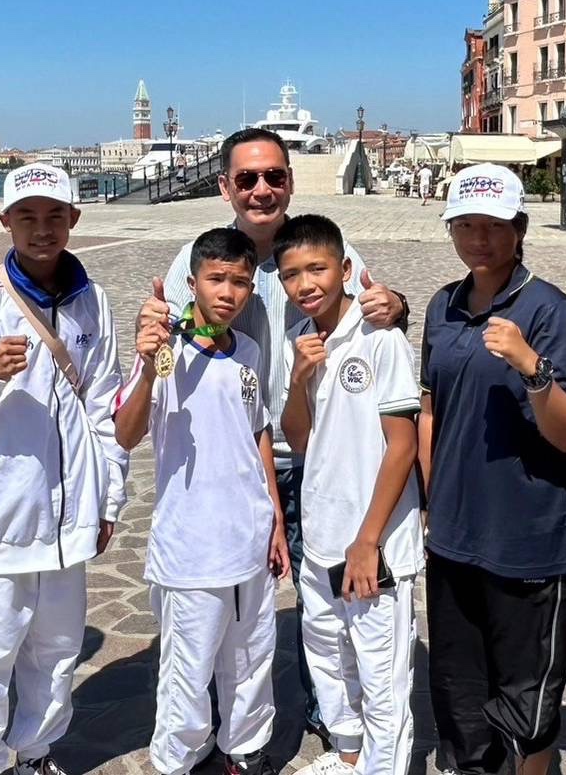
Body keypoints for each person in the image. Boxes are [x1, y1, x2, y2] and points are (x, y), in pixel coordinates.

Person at [136, 127, 408, 738]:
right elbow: (170, 337)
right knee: (230, 608)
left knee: (328, 598)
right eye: (248, 178)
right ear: (226, 185)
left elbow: (372, 308)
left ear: (290, 180)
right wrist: (151, 325)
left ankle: (330, 715)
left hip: (318, 454)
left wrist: (399, 306)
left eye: (274, 176)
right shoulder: (197, 259)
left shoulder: (318, 247)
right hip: (240, 460)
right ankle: (213, 723)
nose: (262, 189)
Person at [0, 163, 128, 775]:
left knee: (57, 652)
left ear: (74, 219)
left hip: (68, 525)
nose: (43, 230)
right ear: (5, 222)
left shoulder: (95, 302)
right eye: (28, 217)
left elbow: (104, 408)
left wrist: (107, 500)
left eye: (55, 215)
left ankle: (36, 753)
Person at [419, 164, 566, 775]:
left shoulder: (550, 311)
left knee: (528, 698)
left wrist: (531, 365)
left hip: (524, 534)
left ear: (519, 228)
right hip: (455, 533)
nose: (479, 239)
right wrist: (432, 497)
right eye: (465, 225)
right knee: (460, 688)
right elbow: (431, 409)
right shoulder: (443, 305)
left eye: (494, 226)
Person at [115, 227, 289, 775]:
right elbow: (126, 431)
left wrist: (277, 519)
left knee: (252, 653)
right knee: (187, 667)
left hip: (251, 536)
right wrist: (148, 363)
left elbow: (257, 432)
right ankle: (178, 758)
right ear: (192, 282)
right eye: (216, 279)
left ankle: (246, 749)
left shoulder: (251, 352)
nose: (228, 292)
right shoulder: (169, 353)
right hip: (190, 546)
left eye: (240, 281)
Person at [277, 214, 422, 775]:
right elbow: (300, 440)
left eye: (317, 268)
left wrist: (368, 540)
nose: (306, 284)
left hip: (373, 541)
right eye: (292, 274)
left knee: (381, 673)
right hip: (321, 534)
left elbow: (401, 446)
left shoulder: (379, 337)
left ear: (345, 268)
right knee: (328, 656)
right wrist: (297, 380)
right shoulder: (301, 340)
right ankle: (348, 756)